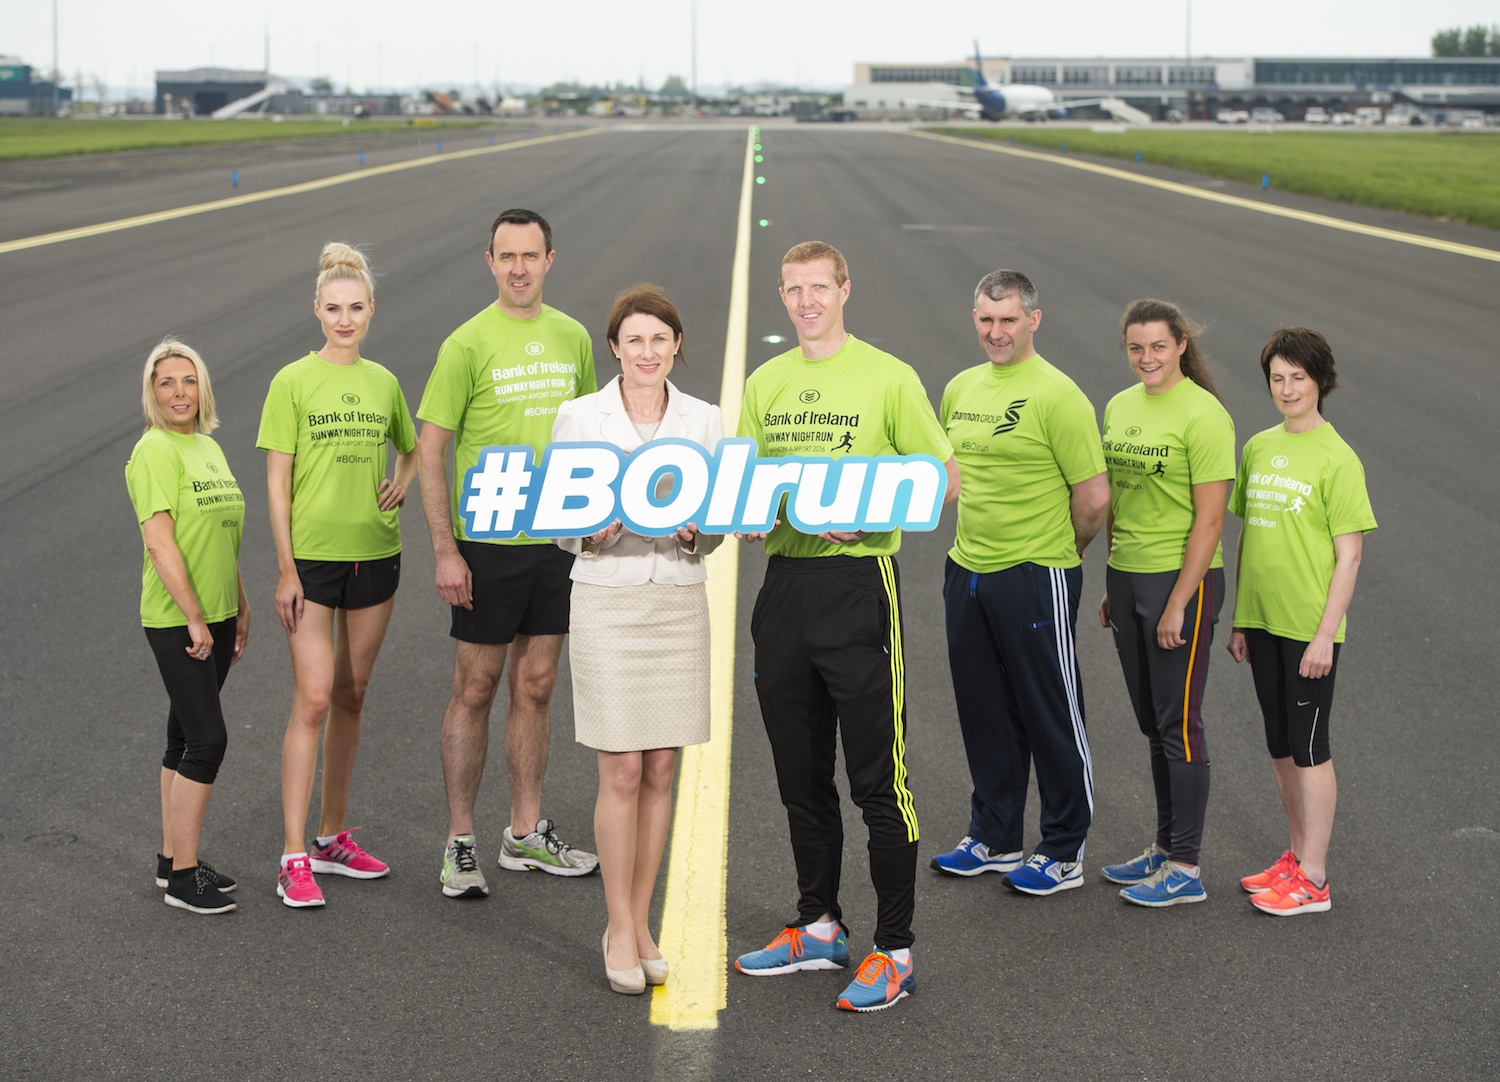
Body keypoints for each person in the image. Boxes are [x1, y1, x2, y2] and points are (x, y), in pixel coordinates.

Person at [732, 241, 959, 1013]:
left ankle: (893, 950)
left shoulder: (889, 376)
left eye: (818, 287)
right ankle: (819, 924)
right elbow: (746, 482)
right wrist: (745, 514)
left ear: (844, 290)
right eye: (793, 289)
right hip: (785, 590)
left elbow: (944, 479)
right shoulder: (766, 381)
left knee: (878, 782)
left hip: (860, 588)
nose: (805, 302)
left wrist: (865, 516)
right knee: (800, 778)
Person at [417, 208, 599, 899]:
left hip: (555, 540)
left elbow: (588, 436)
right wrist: (445, 550)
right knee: (475, 687)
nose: (519, 267)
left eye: (531, 255)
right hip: (487, 545)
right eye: (506, 256)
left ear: (550, 258)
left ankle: (525, 834)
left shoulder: (573, 337)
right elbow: (432, 450)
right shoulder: (466, 344)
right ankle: (460, 841)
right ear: (489, 262)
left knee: (537, 684)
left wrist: (592, 521)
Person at [551, 285, 722, 994]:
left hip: (677, 604)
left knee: (661, 771)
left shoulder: (704, 420)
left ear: (675, 345)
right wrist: (591, 531)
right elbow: (561, 525)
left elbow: (712, 530)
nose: (647, 351)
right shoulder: (579, 417)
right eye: (634, 340)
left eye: (660, 338)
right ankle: (618, 926)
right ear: (614, 348)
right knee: (620, 769)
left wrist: (697, 533)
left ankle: (644, 919)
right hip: (608, 605)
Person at [930, 270, 1109, 896]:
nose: (996, 332)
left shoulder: (1060, 396)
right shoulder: (959, 388)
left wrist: (1062, 554)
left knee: (1052, 712)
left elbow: (1092, 497)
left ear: (1034, 319)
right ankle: (996, 836)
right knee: (985, 713)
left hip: (1035, 573)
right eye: (986, 319)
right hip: (968, 570)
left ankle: (1063, 849)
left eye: (1008, 320)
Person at [256, 242, 418, 908]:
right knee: (314, 698)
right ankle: (293, 855)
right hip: (313, 563)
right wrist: (286, 569)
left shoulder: (382, 383)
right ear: (315, 310)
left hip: (376, 554)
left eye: (355, 308)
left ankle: (331, 838)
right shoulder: (292, 381)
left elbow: (409, 450)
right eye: (333, 309)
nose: (344, 319)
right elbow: (276, 482)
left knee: (352, 693)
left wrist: (400, 485)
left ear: (371, 310)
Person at [1226, 327, 1375, 916]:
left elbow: (1351, 554)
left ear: (1321, 382)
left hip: (1309, 628)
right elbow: (1250, 538)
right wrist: (1240, 618)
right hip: (1262, 622)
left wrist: (1324, 635)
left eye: (1298, 378)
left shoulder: (1339, 458)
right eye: (1278, 379)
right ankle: (1293, 856)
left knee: (1311, 746)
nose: (1287, 389)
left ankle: (1314, 878)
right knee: (1281, 743)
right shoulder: (1259, 447)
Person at [1098, 299, 1235, 907]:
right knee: (1153, 724)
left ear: (1181, 344)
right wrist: (1111, 581)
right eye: (1136, 348)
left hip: (1183, 582)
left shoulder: (1205, 416)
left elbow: (1210, 523)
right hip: (1129, 578)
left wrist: (1180, 602)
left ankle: (1185, 867)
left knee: (1180, 724)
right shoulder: (1121, 406)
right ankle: (1163, 846)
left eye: (1157, 346)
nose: (1146, 358)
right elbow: (1116, 503)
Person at [126, 338, 250, 915]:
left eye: (188, 380)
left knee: (182, 737)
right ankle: (182, 877)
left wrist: (239, 603)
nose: (179, 392)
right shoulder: (153, 452)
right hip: (180, 618)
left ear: (202, 388)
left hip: (219, 614)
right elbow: (159, 541)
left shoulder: (207, 446)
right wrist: (197, 618)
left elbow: (222, 532)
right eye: (166, 383)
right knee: (208, 739)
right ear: (152, 394)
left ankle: (170, 856)